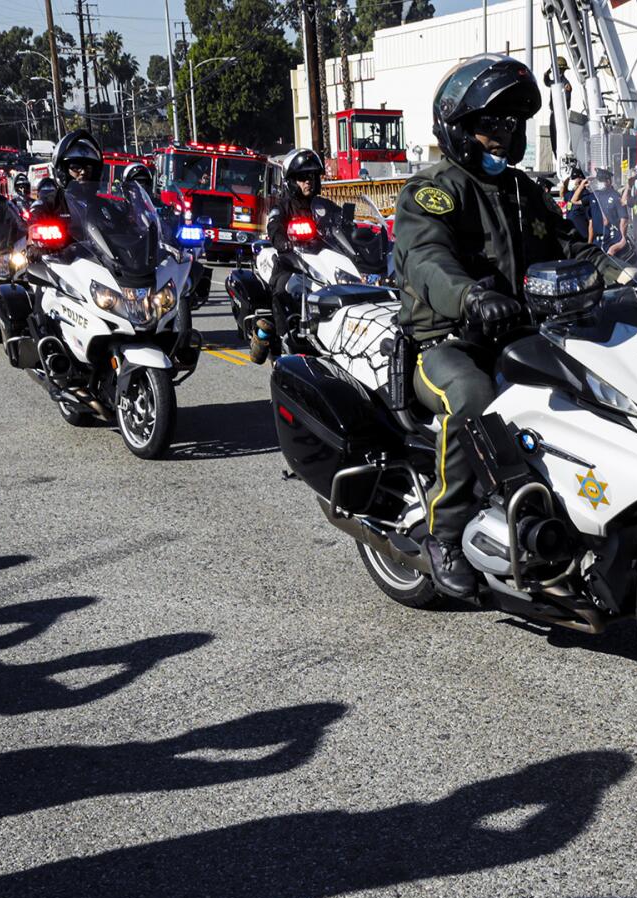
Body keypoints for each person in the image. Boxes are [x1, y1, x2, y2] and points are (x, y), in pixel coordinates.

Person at [392, 54, 615, 597]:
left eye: (511, 124)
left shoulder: (525, 192)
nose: (501, 135)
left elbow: (575, 246)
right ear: (460, 126)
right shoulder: (433, 192)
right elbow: (426, 260)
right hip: (447, 341)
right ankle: (443, 536)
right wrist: (470, 296)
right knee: (470, 397)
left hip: (521, 336)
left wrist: (629, 274)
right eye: (491, 123)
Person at [263, 147, 345, 347]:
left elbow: (343, 225)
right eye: (302, 177)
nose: (308, 181)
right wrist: (283, 242)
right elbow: (273, 226)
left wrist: (359, 234)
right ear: (291, 181)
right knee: (281, 290)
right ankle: (283, 338)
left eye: (311, 176)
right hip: (292, 261)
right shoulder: (283, 207)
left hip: (322, 261)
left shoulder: (326, 206)